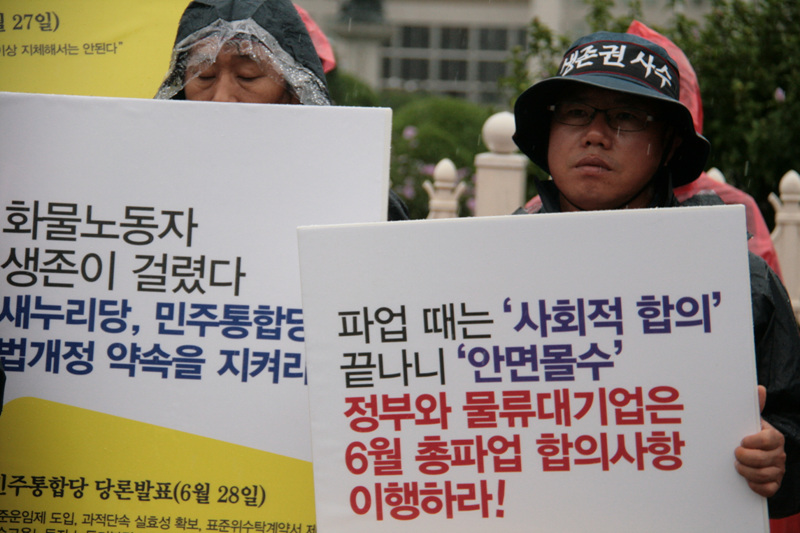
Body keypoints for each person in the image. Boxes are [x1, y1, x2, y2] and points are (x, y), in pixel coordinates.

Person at [512, 31, 800, 520]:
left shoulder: (736, 282)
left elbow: (790, 424)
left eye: (626, 117)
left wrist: (777, 457)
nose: (595, 134)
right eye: (576, 112)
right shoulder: (488, 270)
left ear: (668, 145)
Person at [155, 0, 409, 220]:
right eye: (204, 76)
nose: (221, 99)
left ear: (295, 92)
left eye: (247, 76)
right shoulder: (148, 182)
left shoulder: (357, 201)